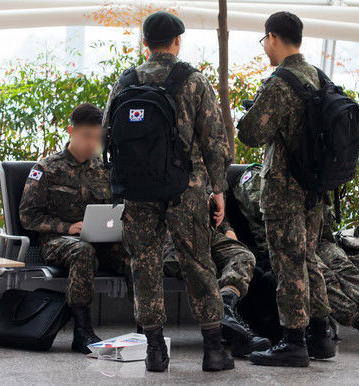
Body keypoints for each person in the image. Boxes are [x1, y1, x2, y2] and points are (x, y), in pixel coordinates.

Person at [102, 11, 233, 372]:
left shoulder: (125, 82)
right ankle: (213, 350)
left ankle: (155, 351)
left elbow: (107, 136)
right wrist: (218, 190)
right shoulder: (193, 81)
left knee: (144, 267)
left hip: (138, 192)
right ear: (177, 41)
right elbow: (215, 143)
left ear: (145, 43)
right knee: (198, 264)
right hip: (184, 191)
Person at [233, 164, 359, 354]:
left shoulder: (308, 174)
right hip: (287, 243)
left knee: (341, 264)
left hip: (318, 239)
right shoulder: (255, 175)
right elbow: (262, 208)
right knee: (323, 276)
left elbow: (323, 219)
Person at [237, 12, 334, 367]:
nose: (264, 48)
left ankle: (293, 341)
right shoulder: (318, 77)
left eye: (264, 41)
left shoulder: (279, 83)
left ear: (273, 37)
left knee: (288, 264)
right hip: (313, 191)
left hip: (283, 191)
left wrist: (246, 115)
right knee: (309, 258)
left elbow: (249, 134)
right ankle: (320, 336)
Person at [19, 103, 132, 354]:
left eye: (97, 137)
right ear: (71, 131)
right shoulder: (46, 169)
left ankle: (146, 328)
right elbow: (29, 216)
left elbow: (116, 208)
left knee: (135, 253)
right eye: (86, 136)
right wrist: (67, 227)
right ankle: (82, 331)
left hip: (101, 240)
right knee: (82, 251)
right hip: (58, 242)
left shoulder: (104, 169)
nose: (93, 143)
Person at [162, 217, 272, 356]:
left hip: (209, 235)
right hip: (174, 240)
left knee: (243, 256)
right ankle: (236, 334)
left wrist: (227, 229)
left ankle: (226, 306)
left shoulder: (217, 194)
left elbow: (218, 212)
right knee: (198, 266)